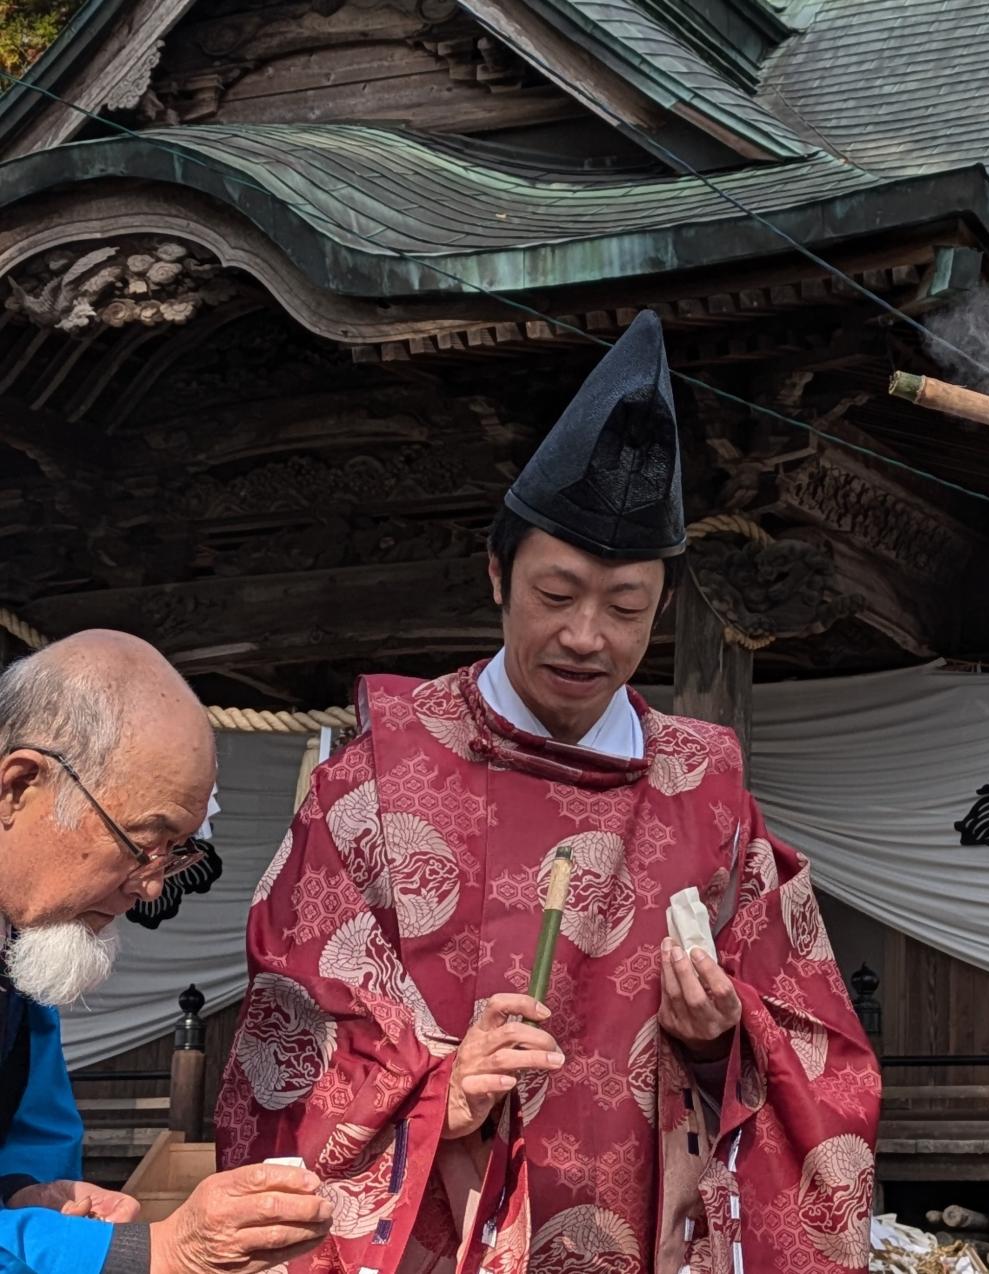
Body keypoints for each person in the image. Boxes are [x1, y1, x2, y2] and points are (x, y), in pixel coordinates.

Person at [216, 311, 880, 1274]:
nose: (587, 639)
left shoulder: (706, 787)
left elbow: (820, 1051)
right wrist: (442, 1085)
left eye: (625, 609)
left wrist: (722, 1038)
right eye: (557, 596)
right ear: (497, 576)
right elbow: (288, 1038)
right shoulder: (375, 780)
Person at [0, 631, 333, 1274]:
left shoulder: (24, 941)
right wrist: (144, 1253)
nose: (152, 884)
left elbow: (33, 1131)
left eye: (175, 851)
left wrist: (23, 1193)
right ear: (20, 786)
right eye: (142, 842)